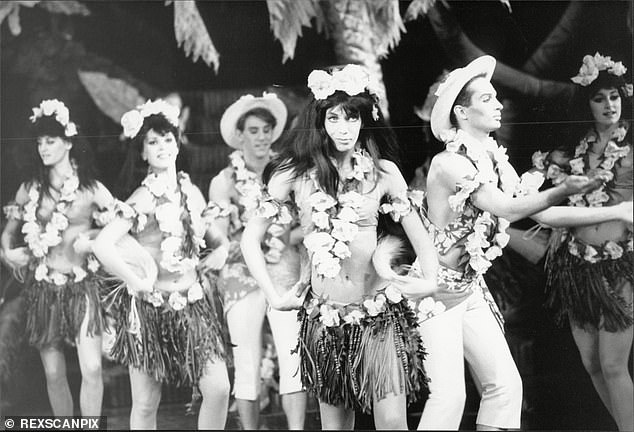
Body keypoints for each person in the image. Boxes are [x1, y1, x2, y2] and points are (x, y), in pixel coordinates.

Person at [418, 55, 632, 431]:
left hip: (469, 289)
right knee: (450, 398)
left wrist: (619, 211)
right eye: (487, 99)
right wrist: (562, 189)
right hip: (434, 291)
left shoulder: (495, 160)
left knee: (504, 387)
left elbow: (545, 216)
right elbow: (507, 208)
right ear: (462, 113)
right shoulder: (449, 164)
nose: (499, 104)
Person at [240, 64, 439, 430]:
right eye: (334, 118)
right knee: (336, 427)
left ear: (364, 120)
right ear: (321, 121)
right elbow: (249, 239)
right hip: (325, 319)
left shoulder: (384, 173)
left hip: (379, 316)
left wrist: (429, 279)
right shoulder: (294, 176)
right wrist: (273, 293)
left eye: (352, 118)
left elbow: (422, 239)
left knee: (393, 423)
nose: (344, 128)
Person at [91, 100, 230, 429]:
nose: (163, 147)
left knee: (219, 389)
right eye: (153, 142)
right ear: (142, 152)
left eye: (168, 139)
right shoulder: (143, 198)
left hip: (194, 308)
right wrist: (135, 281)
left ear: (178, 143)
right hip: (151, 311)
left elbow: (216, 238)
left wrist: (222, 250)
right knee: (145, 403)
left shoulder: (191, 192)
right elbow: (102, 243)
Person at [532, 53, 632, 431]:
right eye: (600, 98)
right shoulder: (574, 152)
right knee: (592, 364)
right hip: (576, 267)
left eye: (615, 97)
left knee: (612, 364)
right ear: (587, 104)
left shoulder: (633, 146)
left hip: (621, 265)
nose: (610, 105)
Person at [0, 99, 114, 416]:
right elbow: (8, 232)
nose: (43, 148)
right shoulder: (30, 189)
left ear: (68, 141)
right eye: (39, 142)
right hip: (44, 289)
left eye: (50, 141)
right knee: (53, 373)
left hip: (82, 287)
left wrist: (93, 238)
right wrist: (8, 252)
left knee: (92, 368)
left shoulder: (91, 190)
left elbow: (123, 224)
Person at [205, 92, 307, 430]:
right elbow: (218, 237)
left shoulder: (288, 173)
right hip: (241, 275)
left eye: (266, 129)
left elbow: (304, 224)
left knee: (292, 358)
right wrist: (251, 243)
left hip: (285, 269)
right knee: (245, 362)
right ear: (240, 135)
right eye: (253, 130)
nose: (261, 137)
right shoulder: (224, 181)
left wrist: (282, 239)